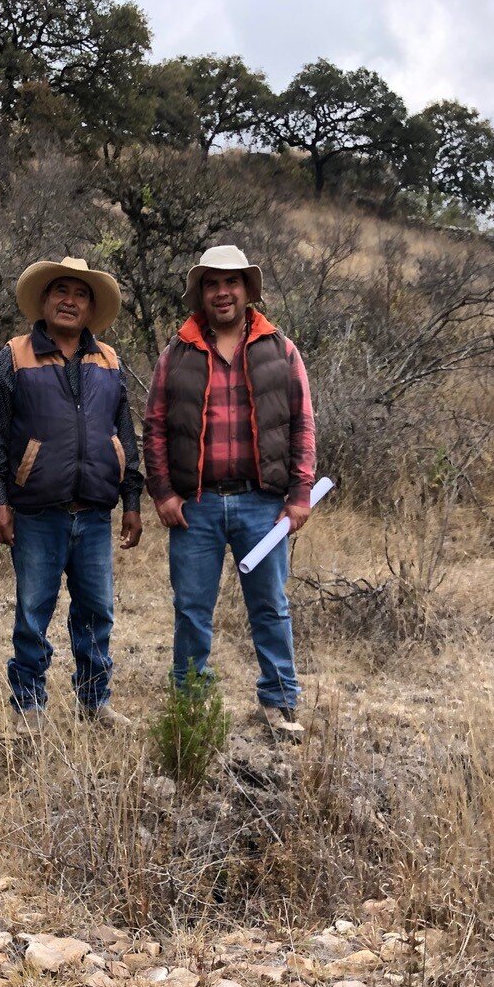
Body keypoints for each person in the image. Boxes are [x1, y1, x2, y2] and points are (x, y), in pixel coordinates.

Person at [143, 245, 316, 738]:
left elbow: (303, 423)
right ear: (202, 292)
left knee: (270, 606)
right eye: (213, 283)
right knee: (192, 608)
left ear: (247, 290)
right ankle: (191, 708)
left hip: (261, 503)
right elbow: (154, 426)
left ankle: (279, 703)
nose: (222, 292)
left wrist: (299, 494)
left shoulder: (280, 349)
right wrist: (162, 493)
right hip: (194, 505)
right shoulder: (176, 353)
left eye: (232, 282)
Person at [0, 257, 144, 732]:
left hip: (94, 514)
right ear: (45, 301)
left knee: (97, 613)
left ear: (92, 307)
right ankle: (29, 705)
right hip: (35, 514)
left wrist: (131, 502)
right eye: (60, 291)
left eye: (80, 294)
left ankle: (95, 702)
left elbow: (124, 437)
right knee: (33, 613)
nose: (69, 301)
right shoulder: (14, 357)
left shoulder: (109, 362)